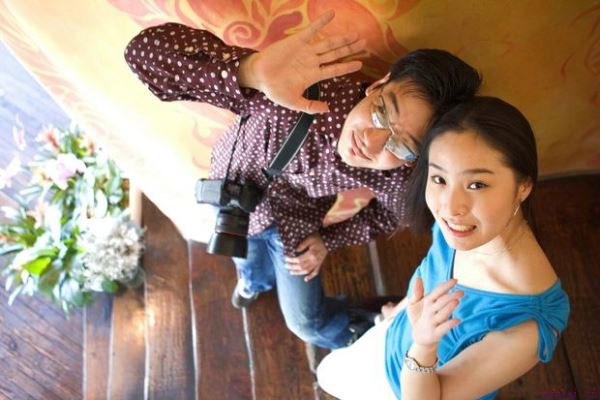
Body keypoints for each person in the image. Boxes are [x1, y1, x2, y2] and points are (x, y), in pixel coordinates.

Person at [124, 10, 482, 349]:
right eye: (381, 111)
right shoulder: (295, 89)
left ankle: (376, 324)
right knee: (246, 264)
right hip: (232, 204)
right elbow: (141, 53)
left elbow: (392, 214)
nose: (370, 141)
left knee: (306, 324)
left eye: (401, 145)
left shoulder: (402, 173)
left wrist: (328, 241)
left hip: (295, 228)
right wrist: (250, 70)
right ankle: (253, 283)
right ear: (379, 85)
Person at [316, 96, 570, 399]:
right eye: (439, 178)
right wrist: (397, 315)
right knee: (328, 372)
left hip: (402, 389)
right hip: (388, 337)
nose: (450, 207)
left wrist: (423, 345)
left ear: (523, 186)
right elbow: (428, 281)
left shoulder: (528, 323)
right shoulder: (458, 231)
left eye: (477, 184)